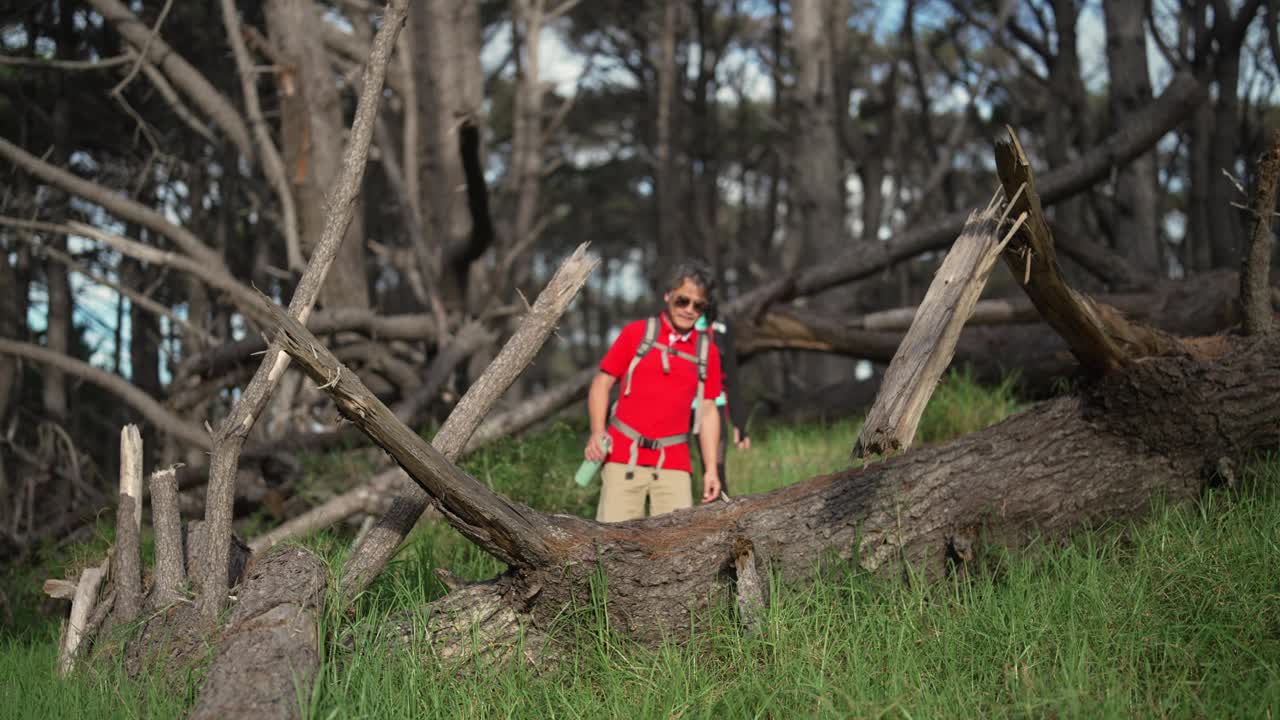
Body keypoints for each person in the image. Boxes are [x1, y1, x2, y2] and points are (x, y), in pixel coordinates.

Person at [584, 261, 723, 522]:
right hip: (622, 457)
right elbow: (601, 383)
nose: (689, 310)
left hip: (675, 465)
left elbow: (708, 412)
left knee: (675, 550)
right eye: (683, 300)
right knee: (614, 546)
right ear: (668, 295)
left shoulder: (708, 351)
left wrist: (711, 469)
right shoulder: (636, 333)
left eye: (698, 305)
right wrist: (596, 432)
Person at [692, 300, 750, 498]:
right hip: (682, 407)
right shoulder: (679, 323)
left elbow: (732, 374)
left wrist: (739, 421)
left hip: (715, 405)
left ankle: (720, 518)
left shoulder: (721, 325)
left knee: (716, 467)